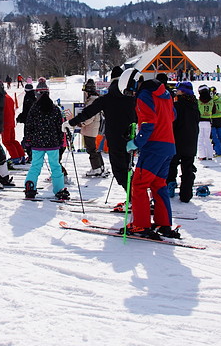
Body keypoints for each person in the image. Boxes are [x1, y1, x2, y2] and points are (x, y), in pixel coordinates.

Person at [119, 69, 177, 239]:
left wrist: (136, 142)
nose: (132, 95)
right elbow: (172, 115)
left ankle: (141, 225)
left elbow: (148, 123)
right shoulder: (164, 93)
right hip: (168, 146)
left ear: (134, 83)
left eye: (131, 91)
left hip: (153, 147)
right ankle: (163, 223)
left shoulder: (145, 95)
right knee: (159, 185)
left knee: (139, 185)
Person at [66, 66, 136, 195]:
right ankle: (136, 197)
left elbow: (89, 112)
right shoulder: (132, 97)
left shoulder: (107, 98)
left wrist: (71, 122)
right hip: (131, 137)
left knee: (120, 170)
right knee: (128, 169)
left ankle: (134, 197)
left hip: (115, 139)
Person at [22, 89, 66, 199]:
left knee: (35, 166)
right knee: (55, 166)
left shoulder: (34, 109)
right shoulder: (55, 109)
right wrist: (61, 141)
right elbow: (60, 127)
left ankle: (30, 185)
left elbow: (28, 126)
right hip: (53, 143)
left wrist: (28, 141)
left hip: (37, 143)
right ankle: (59, 189)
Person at [167, 81, 199, 202]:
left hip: (177, 139)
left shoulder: (177, 105)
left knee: (172, 164)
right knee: (188, 168)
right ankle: (186, 194)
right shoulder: (195, 105)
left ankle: (170, 187)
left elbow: (172, 122)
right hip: (191, 140)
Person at [78, 79, 106, 177]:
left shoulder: (91, 101)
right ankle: (100, 166)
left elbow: (89, 116)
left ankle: (96, 168)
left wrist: (82, 123)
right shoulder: (96, 99)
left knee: (91, 149)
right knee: (95, 149)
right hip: (94, 128)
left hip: (90, 129)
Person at [2, 92, 26, 165]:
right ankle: (21, 155)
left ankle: (15, 157)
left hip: (5, 122)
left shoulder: (2, 99)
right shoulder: (9, 98)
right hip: (11, 121)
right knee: (12, 140)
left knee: (7, 141)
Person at [16, 83, 37, 163]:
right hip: (33, 121)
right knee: (31, 138)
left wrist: (21, 118)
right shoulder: (33, 97)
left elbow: (26, 111)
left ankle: (30, 154)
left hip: (28, 121)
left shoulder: (28, 98)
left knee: (28, 138)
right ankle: (31, 154)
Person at [196, 85, 214, 160]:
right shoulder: (212, 101)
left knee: (200, 139)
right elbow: (214, 111)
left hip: (200, 121)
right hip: (208, 121)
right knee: (207, 139)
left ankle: (202, 155)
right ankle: (210, 155)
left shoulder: (198, 101)